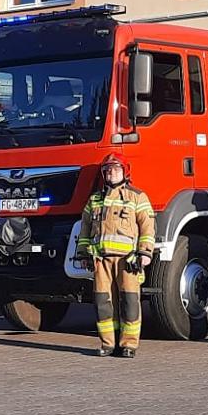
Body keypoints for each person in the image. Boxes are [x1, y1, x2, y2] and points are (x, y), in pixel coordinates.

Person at [74, 153, 154, 358]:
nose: (111, 173)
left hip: (128, 261)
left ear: (125, 172)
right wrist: (83, 253)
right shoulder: (94, 200)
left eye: (116, 170)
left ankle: (129, 345)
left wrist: (144, 252)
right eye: (108, 170)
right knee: (103, 303)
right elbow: (85, 229)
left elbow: (147, 227)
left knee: (130, 303)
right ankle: (108, 344)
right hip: (101, 260)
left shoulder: (137, 197)